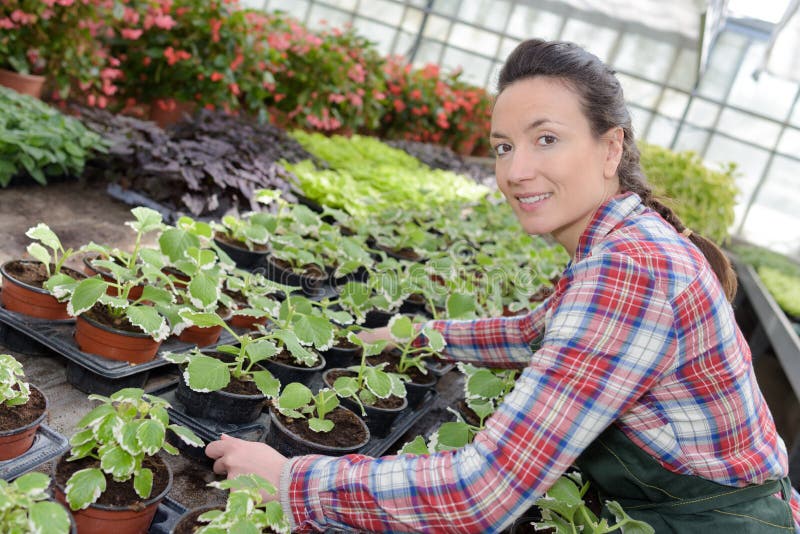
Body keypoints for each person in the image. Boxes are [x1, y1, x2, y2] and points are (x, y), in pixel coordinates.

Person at [205, 39, 800, 533]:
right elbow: (533, 332)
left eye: (547, 139)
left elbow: (481, 495)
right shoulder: (626, 241)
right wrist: (413, 337)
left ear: (610, 146)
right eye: (503, 148)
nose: (516, 171)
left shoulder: (631, 271)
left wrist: (289, 480)